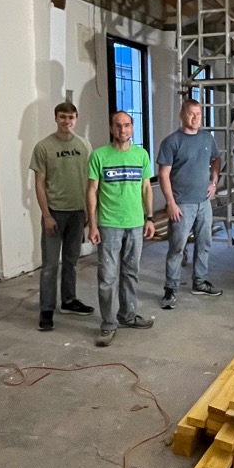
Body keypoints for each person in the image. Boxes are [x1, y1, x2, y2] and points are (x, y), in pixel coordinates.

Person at [86, 111, 157, 347]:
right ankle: (108, 324)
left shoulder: (141, 155)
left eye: (127, 125)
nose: (123, 130)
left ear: (132, 128)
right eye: (118, 125)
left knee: (130, 273)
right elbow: (91, 191)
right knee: (107, 277)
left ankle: (127, 315)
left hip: (135, 224)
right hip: (109, 225)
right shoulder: (99, 156)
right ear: (111, 128)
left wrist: (149, 218)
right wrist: (93, 224)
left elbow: (146, 188)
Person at [29, 101, 95, 331]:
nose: (67, 121)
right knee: (50, 265)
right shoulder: (44, 147)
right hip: (55, 212)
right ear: (56, 118)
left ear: (76, 118)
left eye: (71, 117)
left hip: (77, 212)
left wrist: (88, 211)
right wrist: (46, 215)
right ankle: (46, 310)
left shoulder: (84, 145)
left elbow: (91, 181)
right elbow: (39, 184)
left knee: (71, 260)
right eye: (62, 117)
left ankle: (69, 300)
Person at [157, 98, 224, 309]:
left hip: (204, 202)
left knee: (204, 244)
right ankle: (170, 289)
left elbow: (216, 159)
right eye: (191, 114)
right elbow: (163, 174)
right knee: (177, 248)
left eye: (198, 114)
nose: (195, 118)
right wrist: (171, 203)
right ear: (182, 115)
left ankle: (200, 282)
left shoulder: (207, 138)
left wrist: (214, 182)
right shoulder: (172, 142)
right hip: (182, 204)